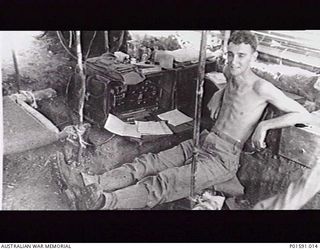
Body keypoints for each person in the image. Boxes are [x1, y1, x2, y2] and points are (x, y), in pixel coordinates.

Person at [57, 30, 313, 210]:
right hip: (202, 140)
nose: (234, 61)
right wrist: (220, 94)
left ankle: (103, 203)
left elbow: (303, 114)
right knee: (148, 162)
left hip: (223, 157)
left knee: (165, 182)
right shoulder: (229, 71)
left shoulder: (262, 88)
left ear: (254, 56)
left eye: (242, 56)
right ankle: (93, 183)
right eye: (231, 54)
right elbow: (230, 82)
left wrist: (264, 125)